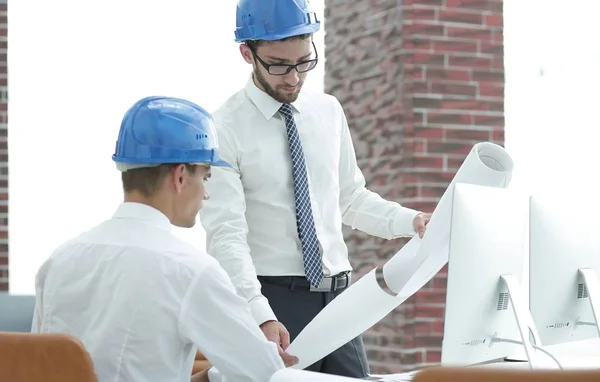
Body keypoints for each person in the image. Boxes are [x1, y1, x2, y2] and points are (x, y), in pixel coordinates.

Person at [198, 0, 432, 378]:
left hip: (338, 299)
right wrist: (260, 315)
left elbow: (351, 200)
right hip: (275, 300)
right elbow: (226, 237)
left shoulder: (328, 111)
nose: (292, 77)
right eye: (278, 64)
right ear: (247, 52)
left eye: (303, 62)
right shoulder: (222, 129)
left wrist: (413, 221)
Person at [31, 96, 296, 382]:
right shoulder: (190, 271)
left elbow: (42, 366)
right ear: (180, 176)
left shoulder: (59, 260)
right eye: (206, 177)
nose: (206, 193)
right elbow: (265, 374)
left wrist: (208, 376)